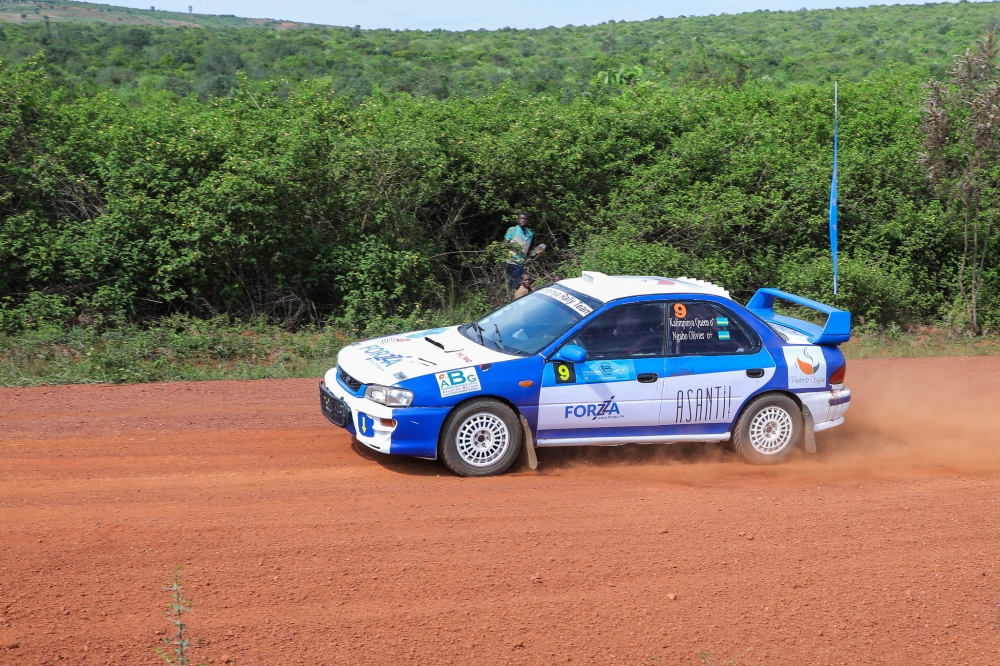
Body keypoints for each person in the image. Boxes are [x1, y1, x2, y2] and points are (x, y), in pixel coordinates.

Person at [503, 212, 533, 291]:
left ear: (527, 221)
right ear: (518, 220)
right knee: (513, 285)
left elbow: (528, 249)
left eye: (525, 219)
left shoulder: (530, 233)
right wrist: (516, 246)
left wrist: (535, 252)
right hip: (511, 262)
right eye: (521, 219)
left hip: (522, 263)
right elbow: (505, 243)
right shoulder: (512, 230)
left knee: (521, 285)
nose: (523, 220)